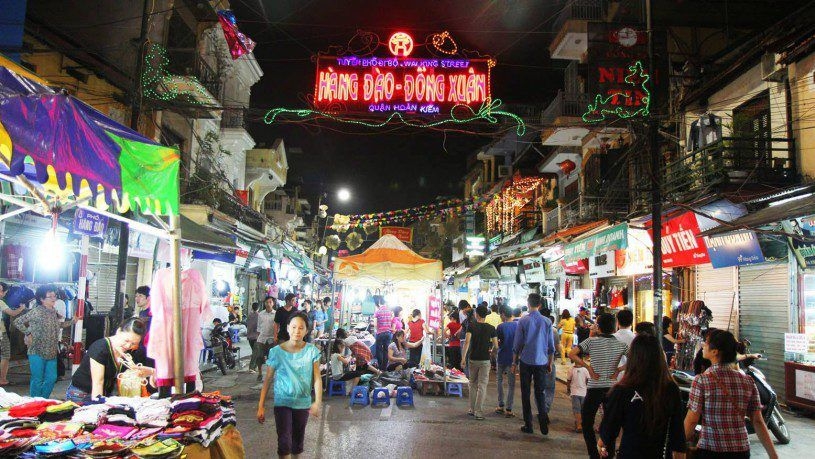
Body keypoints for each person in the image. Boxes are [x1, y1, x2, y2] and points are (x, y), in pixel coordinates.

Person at [684, 329, 778, 459]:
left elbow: (691, 420)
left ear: (715, 351)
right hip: (741, 451)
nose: (703, 345)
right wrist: (773, 455)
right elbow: (758, 421)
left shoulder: (702, 381)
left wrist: (678, 447)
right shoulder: (747, 381)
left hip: (710, 450)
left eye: (706, 342)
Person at [598, 334, 686, 458]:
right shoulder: (670, 388)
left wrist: (602, 445)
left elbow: (608, 430)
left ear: (633, 358)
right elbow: (678, 436)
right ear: (660, 357)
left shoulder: (622, 389)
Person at [257, 312, 322, 459]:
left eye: (301, 328)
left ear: (307, 330)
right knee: (284, 443)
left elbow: (317, 378)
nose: (296, 331)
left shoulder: (312, 351)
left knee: (297, 444)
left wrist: (317, 402)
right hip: (282, 402)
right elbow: (267, 379)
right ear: (287, 328)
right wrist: (261, 405)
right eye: (293, 327)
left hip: (303, 403)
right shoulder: (276, 352)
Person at [569, 313, 629, 459]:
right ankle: (608, 453)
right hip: (612, 389)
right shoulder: (621, 344)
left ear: (599, 327)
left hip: (595, 387)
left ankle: (593, 454)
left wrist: (588, 368)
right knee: (611, 422)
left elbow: (572, 354)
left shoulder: (591, 341)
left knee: (587, 421)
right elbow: (635, 359)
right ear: (614, 327)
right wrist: (619, 370)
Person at [66, 318, 155, 403]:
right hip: (80, 394)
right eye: (126, 340)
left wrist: (151, 372)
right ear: (119, 331)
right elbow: (98, 383)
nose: (128, 346)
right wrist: (98, 408)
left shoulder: (132, 352)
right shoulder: (101, 348)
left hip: (104, 394)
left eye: (133, 343)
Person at [14, 285, 76, 398]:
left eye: (54, 296)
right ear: (42, 299)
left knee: (51, 378)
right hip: (36, 351)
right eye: (50, 296)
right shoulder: (36, 311)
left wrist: (73, 321)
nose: (53, 298)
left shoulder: (53, 312)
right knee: (37, 379)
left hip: (51, 351)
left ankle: (43, 400)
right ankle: (35, 402)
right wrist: (28, 333)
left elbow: (59, 325)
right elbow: (17, 322)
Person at [512, 293, 556, 436]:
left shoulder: (523, 321)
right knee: (540, 392)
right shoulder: (547, 322)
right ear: (540, 305)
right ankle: (543, 423)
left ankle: (528, 425)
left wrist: (514, 362)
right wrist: (550, 363)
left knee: (526, 393)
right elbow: (551, 346)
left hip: (526, 361)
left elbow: (517, 344)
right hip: (542, 361)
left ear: (528, 303)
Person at [460, 305, 497, 420]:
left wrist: (463, 358)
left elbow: (466, 343)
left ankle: (471, 409)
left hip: (473, 359)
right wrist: (492, 353)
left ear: (477, 314)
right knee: (482, 386)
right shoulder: (491, 328)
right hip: (485, 360)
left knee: (472, 384)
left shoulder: (471, 326)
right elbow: (496, 345)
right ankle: (479, 411)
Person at [0, 282, 26, 385]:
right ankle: (2, 379)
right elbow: (12, 313)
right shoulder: (0, 302)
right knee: (5, 355)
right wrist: (22, 308)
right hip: (1, 334)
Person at [495, 306, 518, 417]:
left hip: (501, 356)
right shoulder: (517, 326)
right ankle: (509, 408)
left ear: (503, 314)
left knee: (499, 381)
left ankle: (500, 405)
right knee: (511, 383)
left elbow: (497, 342)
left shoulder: (500, 327)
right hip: (513, 358)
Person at [253, 297, 277, 381]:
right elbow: (259, 326)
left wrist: (275, 337)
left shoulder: (276, 314)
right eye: (267, 302)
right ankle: (259, 373)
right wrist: (258, 337)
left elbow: (277, 327)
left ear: (273, 303)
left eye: (270, 302)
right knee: (259, 357)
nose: (268, 304)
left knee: (271, 358)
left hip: (271, 338)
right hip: (262, 338)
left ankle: (269, 374)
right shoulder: (261, 314)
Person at [566, 358, 590, 433]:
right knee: (582, 410)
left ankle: (579, 425)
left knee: (577, 410)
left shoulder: (571, 370)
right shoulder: (585, 370)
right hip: (583, 393)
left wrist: (568, 389)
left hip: (574, 393)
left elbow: (568, 381)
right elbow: (588, 381)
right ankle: (581, 424)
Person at [373, 296, 393, 370]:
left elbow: (375, 324)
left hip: (380, 332)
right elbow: (390, 321)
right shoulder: (389, 311)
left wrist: (377, 329)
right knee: (386, 350)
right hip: (388, 333)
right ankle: (384, 367)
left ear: (379, 303)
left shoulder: (377, 312)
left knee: (379, 350)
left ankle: (380, 366)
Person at [246, 302, 260, 368]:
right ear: (258, 308)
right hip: (256, 336)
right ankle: (252, 367)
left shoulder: (249, 315)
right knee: (255, 353)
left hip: (249, 336)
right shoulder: (259, 316)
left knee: (255, 352)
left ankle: (255, 366)